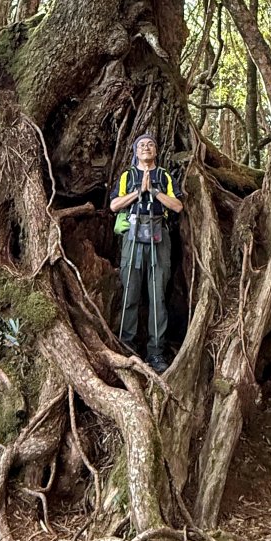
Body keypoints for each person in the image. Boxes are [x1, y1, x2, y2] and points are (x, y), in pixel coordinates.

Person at [109, 134, 183, 373]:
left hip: (158, 233)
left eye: (151, 144)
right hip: (133, 233)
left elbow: (178, 206)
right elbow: (114, 205)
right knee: (130, 291)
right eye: (142, 145)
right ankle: (126, 348)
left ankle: (156, 352)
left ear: (156, 151)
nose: (146, 147)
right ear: (135, 151)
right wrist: (138, 193)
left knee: (157, 295)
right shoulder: (127, 176)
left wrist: (153, 191)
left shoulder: (164, 176)